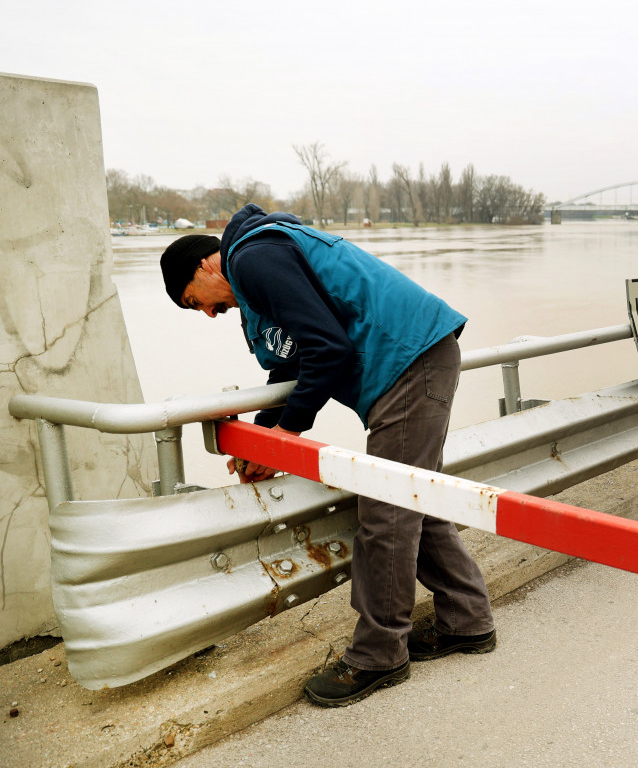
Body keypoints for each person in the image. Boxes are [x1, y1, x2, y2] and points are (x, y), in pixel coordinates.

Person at [159, 204, 495, 707]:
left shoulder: (251, 259)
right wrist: (264, 439)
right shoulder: (256, 270)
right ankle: (466, 621)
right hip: (415, 358)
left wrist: (287, 434)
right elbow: (291, 365)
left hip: (408, 362)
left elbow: (328, 349)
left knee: (386, 515)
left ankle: (379, 654)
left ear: (208, 265)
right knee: (410, 503)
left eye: (195, 301)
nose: (207, 314)